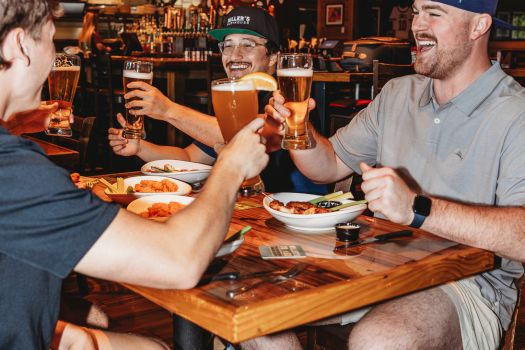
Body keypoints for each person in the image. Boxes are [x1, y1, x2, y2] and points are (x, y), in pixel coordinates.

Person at [253, 0, 525, 349]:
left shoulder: (515, 113)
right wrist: (299, 128)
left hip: (467, 286)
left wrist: (417, 208)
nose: (417, 25)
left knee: (379, 339)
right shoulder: (399, 93)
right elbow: (329, 166)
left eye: (434, 13)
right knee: (256, 310)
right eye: (416, 11)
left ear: (478, 26)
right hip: (372, 263)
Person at [0, 1, 268, 349]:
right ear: (19, 46)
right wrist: (231, 166)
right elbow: (178, 261)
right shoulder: (17, 173)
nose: (54, 61)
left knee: (106, 328)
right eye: (50, 41)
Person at [108, 6, 326, 194]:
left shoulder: (289, 98)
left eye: (248, 44)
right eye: (227, 45)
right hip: (255, 211)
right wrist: (140, 148)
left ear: (273, 56)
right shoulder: (233, 99)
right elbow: (190, 157)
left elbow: (249, 137)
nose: (234, 54)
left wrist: (168, 110)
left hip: (300, 212)